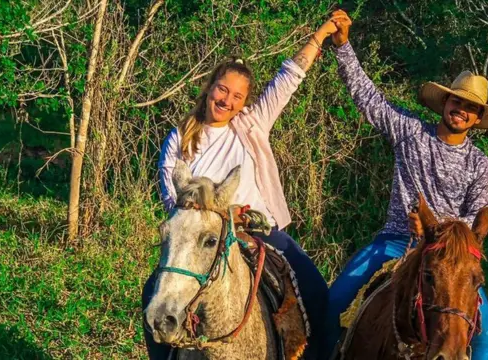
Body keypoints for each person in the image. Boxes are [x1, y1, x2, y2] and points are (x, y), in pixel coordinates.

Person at [142, 16, 345, 360]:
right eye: (222, 89)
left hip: (260, 230)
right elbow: (171, 195)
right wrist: (217, 217)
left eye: (237, 95)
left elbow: (288, 80)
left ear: (244, 101)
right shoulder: (180, 138)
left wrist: (321, 36)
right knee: (152, 293)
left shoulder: (251, 124)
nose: (227, 100)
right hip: (200, 238)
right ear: (209, 88)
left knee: (315, 292)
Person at [323, 10, 488, 360]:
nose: (461, 110)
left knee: (487, 338)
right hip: (396, 241)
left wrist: (437, 233)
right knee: (332, 304)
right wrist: (344, 47)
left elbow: (479, 217)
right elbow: (369, 99)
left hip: (450, 258)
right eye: (457, 101)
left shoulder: (479, 164)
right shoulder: (411, 133)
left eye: (471, 108)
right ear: (445, 102)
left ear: (478, 118)